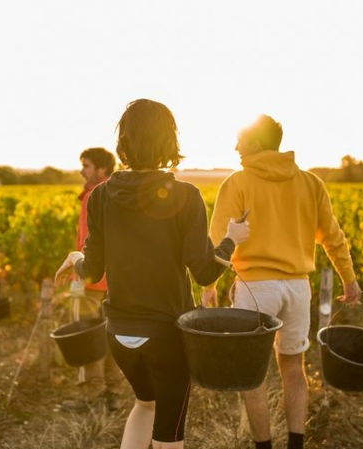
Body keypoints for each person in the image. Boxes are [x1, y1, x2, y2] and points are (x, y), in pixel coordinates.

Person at [55, 99, 250, 449]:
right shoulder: (186, 196)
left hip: (120, 335)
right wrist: (230, 242)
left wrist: (74, 257)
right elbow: (205, 274)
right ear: (168, 142)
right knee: (169, 438)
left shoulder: (99, 197)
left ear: (124, 143)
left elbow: (92, 270)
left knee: (144, 405)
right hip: (167, 338)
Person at [201, 115, 362, 449]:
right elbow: (333, 237)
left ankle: (263, 446)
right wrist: (349, 279)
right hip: (297, 288)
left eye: (240, 140)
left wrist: (208, 286)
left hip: (255, 289)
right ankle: (296, 445)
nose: (235, 146)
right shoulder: (310, 183)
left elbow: (218, 241)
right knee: (293, 368)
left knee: (251, 373)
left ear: (257, 144)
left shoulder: (238, 182)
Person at [59, 147, 126, 412]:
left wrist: (79, 272)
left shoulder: (93, 196)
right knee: (113, 335)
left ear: (102, 169)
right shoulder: (120, 193)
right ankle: (114, 393)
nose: (81, 171)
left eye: (86, 166)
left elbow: (88, 242)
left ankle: (91, 394)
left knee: (87, 335)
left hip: (91, 280)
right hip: (117, 281)